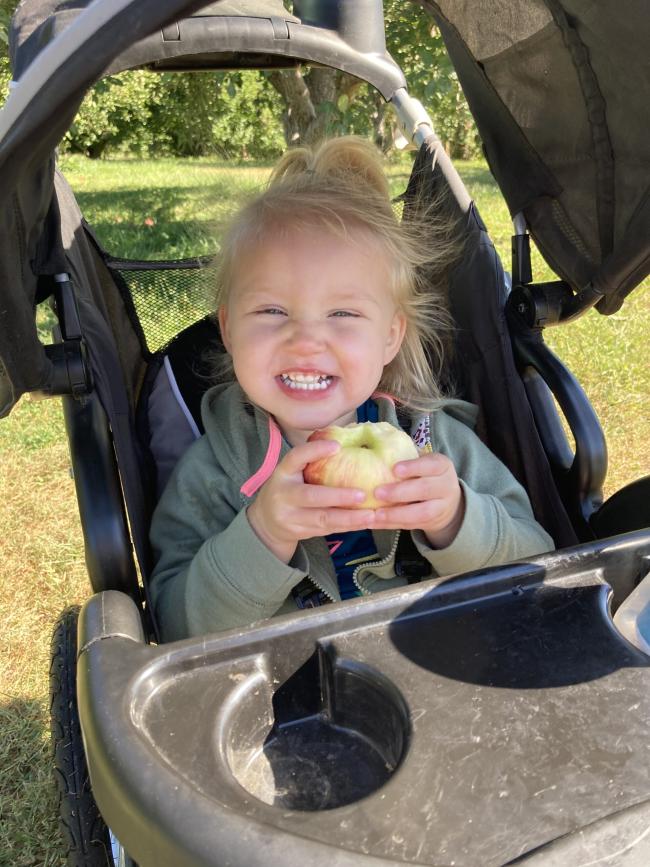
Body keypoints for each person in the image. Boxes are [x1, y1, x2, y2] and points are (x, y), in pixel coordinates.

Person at [149, 136, 554, 641]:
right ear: (228, 329)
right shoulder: (213, 472)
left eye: (342, 314)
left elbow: (539, 564)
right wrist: (262, 536)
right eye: (272, 311)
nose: (305, 339)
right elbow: (173, 625)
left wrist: (454, 520)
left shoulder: (430, 442)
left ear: (390, 336)